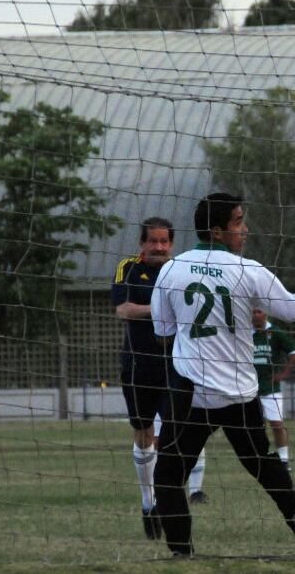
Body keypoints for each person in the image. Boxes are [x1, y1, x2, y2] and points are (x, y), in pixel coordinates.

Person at [151, 193, 295, 555]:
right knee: (262, 464)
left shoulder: (173, 268)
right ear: (216, 231)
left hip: (193, 393)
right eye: (237, 222)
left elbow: (162, 333)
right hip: (241, 393)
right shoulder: (249, 270)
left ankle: (181, 551)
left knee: (168, 476)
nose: (244, 229)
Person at [112, 218, 207, 541]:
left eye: (165, 241)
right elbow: (123, 310)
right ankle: (148, 501)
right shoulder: (128, 268)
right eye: (153, 241)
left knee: (174, 436)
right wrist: (161, 309)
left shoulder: (180, 270)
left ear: (172, 244)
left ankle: (168, 505)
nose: (159, 247)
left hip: (177, 364)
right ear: (142, 243)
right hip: (138, 364)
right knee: (143, 433)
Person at [251, 307, 295, 469]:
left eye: (259, 311)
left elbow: (294, 352)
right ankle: (258, 459)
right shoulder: (244, 333)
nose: (255, 315)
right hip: (248, 388)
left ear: (266, 313)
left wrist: (284, 373)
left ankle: (284, 460)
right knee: (254, 427)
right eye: (253, 312)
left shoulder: (275, 333)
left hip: (270, 388)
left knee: (277, 425)